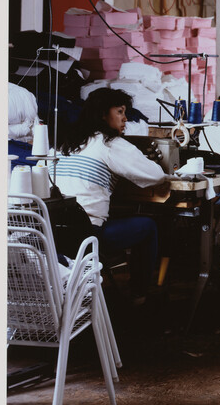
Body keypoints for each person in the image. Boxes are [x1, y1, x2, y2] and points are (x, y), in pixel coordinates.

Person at [55, 88, 167, 303]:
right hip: (87, 235)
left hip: (57, 234)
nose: (125, 118)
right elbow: (156, 176)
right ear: (102, 115)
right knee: (148, 226)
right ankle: (139, 297)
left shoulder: (66, 142)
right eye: (120, 111)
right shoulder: (110, 144)